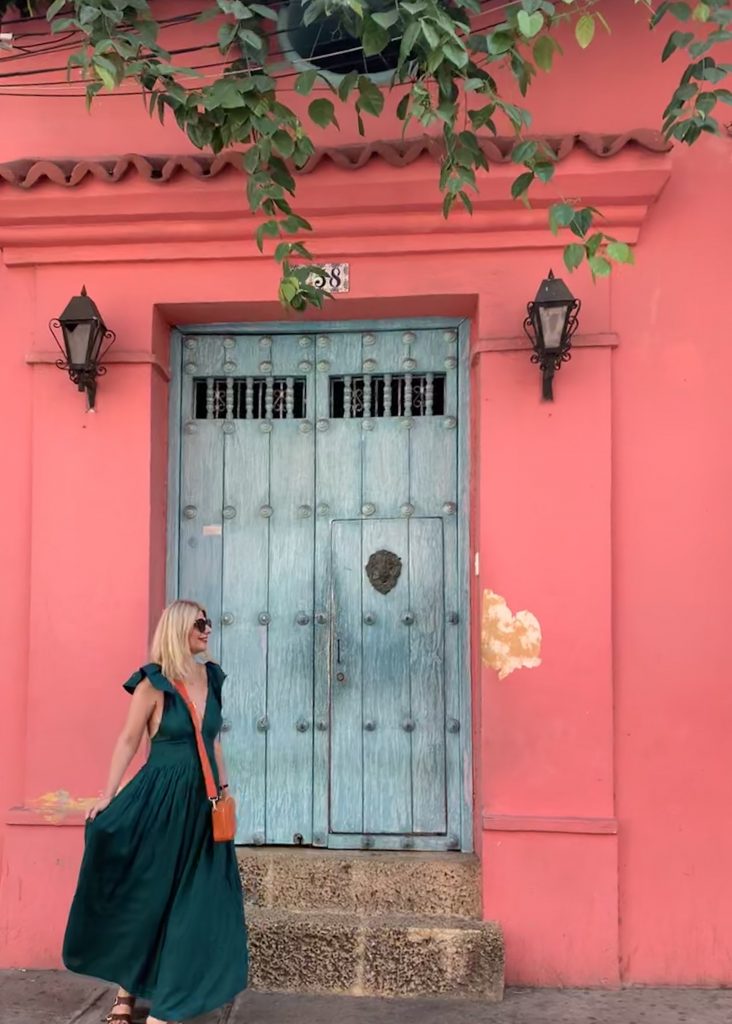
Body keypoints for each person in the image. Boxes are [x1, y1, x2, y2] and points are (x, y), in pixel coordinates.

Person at [62, 600, 248, 1024]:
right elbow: (129, 741)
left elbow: (213, 741)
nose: (208, 630)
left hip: (202, 807)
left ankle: (168, 1005)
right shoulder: (153, 684)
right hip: (159, 802)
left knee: (195, 903)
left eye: (209, 622)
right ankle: (125, 995)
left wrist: (224, 793)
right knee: (148, 895)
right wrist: (107, 796)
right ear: (180, 629)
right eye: (200, 623)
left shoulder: (213, 678)